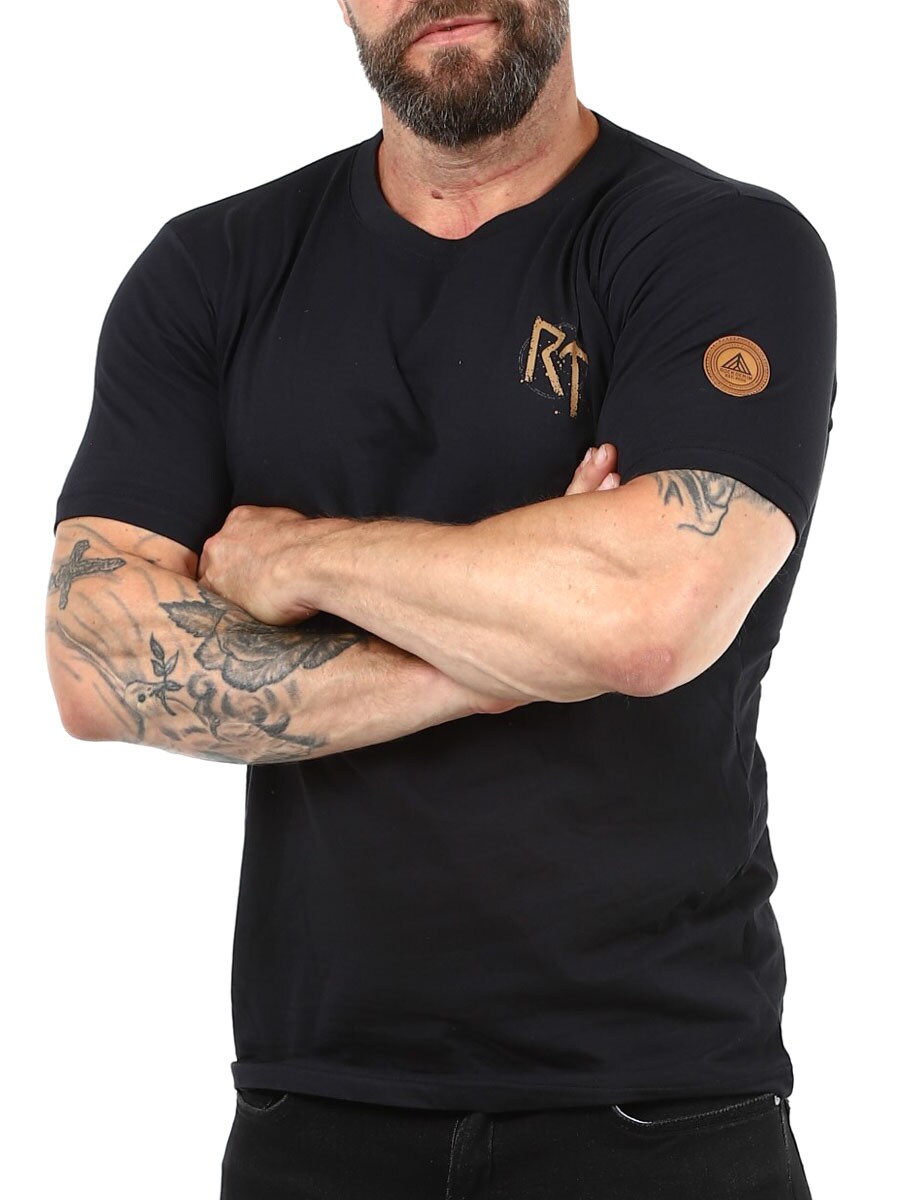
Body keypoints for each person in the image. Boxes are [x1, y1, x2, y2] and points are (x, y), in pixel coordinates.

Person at [46, 1, 836, 1196]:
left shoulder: (719, 244)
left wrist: (299, 560)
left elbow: (649, 613)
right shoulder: (213, 269)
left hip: (659, 1104)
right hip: (313, 1107)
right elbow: (99, 666)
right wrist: (520, 648)